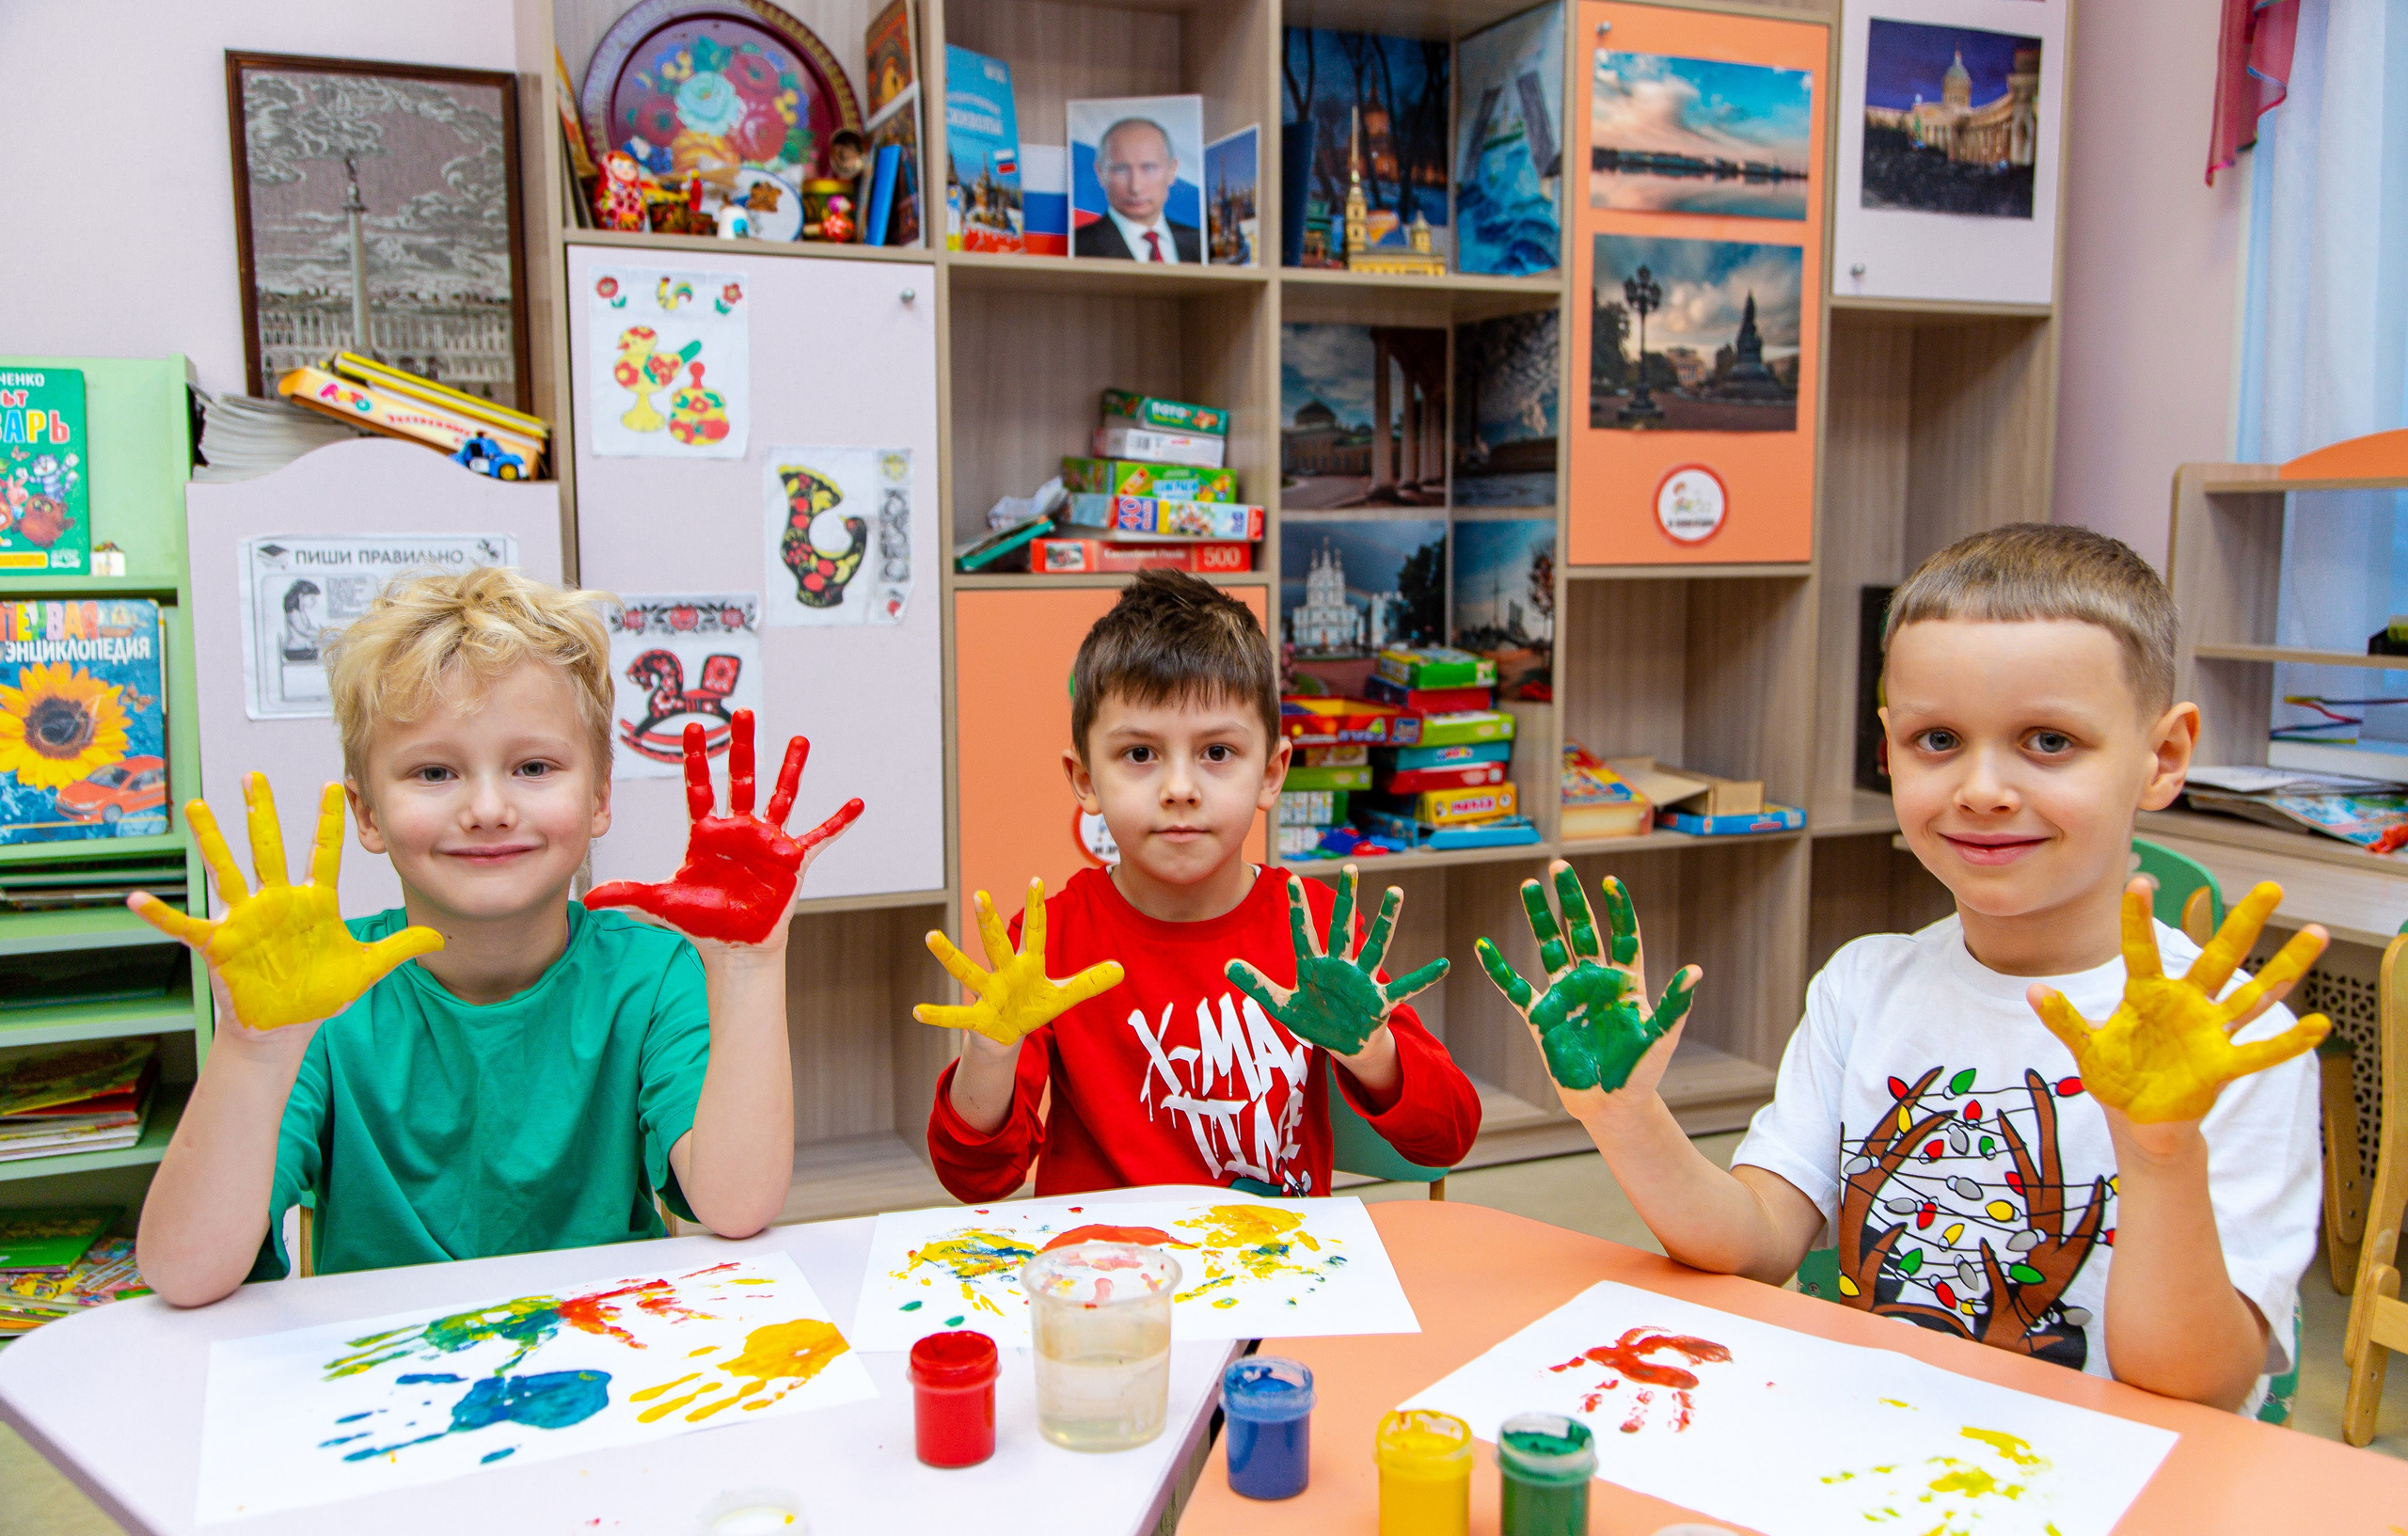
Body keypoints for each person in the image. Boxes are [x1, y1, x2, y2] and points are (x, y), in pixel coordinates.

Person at [1478, 524, 2328, 1411]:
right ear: (1885, 749)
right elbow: (1758, 1242)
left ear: (2164, 756)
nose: (1982, 788)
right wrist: (1627, 1118)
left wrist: (2159, 1153)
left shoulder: (2238, 1044)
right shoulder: (1864, 985)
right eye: (1938, 739)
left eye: (2048, 741)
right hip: (1872, 1455)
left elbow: (2194, 1390)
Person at [131, 567, 856, 1306]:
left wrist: (748, 964)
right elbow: (184, 1272)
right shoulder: (321, 993)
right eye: (435, 771)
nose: (487, 806)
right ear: (368, 812)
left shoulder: (650, 971)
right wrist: (253, 1049)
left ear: (600, 794)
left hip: (606, 1359)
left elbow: (736, 1206)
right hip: (385, 1379)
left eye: (533, 766)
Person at [922, 570, 1481, 1200]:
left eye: (1217, 753)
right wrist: (991, 1053)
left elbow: (1447, 1138)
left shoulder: (1317, 932)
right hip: (1110, 1275)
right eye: (1139, 754)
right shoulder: (1050, 943)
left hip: (1281, 1276)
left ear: (1272, 774)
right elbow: (974, 1177)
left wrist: (1373, 1053)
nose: (1180, 787)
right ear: (1084, 779)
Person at [1072, 118, 1201, 264]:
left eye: (1149, 168)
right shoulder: (1079, 246)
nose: (1135, 187)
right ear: (1100, 173)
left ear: (1172, 170)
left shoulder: (1200, 243)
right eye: (1120, 169)